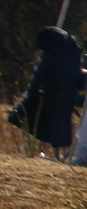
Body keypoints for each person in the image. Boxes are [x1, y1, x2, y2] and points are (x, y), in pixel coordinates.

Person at [7, 26, 87, 160]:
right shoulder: (71, 51)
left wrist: (28, 96)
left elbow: (36, 81)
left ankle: (78, 154)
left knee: (28, 110)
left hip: (58, 97)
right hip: (68, 95)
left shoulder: (51, 56)